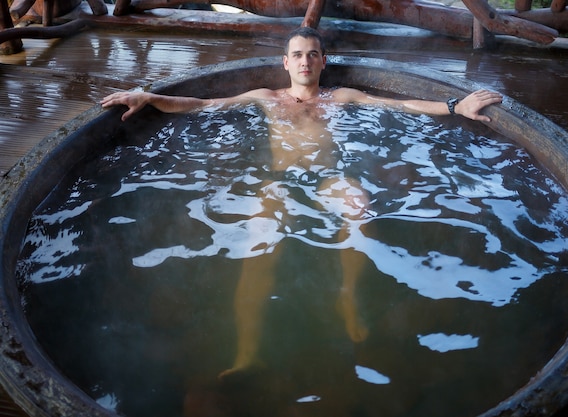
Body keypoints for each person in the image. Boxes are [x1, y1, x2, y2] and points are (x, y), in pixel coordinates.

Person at [101, 27, 503, 381]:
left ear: (323, 61)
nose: (305, 61)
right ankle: (247, 351)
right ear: (285, 62)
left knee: (359, 203)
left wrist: (456, 106)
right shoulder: (266, 97)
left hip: (328, 178)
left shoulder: (341, 96)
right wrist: (150, 96)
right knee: (259, 248)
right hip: (277, 182)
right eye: (297, 54)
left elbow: (401, 106)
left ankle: (348, 299)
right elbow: (204, 106)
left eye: (313, 54)